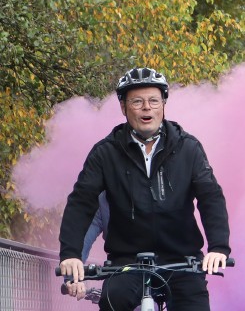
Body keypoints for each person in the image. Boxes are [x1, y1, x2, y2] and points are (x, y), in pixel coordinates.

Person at [58, 67, 231, 311]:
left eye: (153, 100)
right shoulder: (105, 152)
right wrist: (71, 254)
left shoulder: (188, 148)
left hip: (181, 261)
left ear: (163, 104)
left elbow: (210, 197)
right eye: (137, 101)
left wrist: (218, 248)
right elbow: (81, 202)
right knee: (112, 300)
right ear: (123, 107)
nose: (146, 107)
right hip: (128, 263)